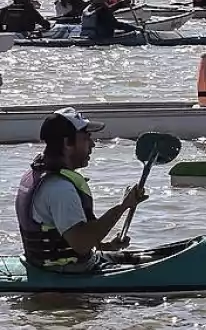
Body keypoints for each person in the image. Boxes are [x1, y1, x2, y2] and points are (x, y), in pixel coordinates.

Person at [16, 109, 148, 273]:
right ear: (67, 143)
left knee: (147, 259)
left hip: (43, 264)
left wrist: (106, 246)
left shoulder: (35, 174)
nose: (92, 144)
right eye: (86, 138)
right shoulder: (59, 188)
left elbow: (66, 234)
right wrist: (123, 207)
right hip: (65, 272)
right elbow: (82, 244)